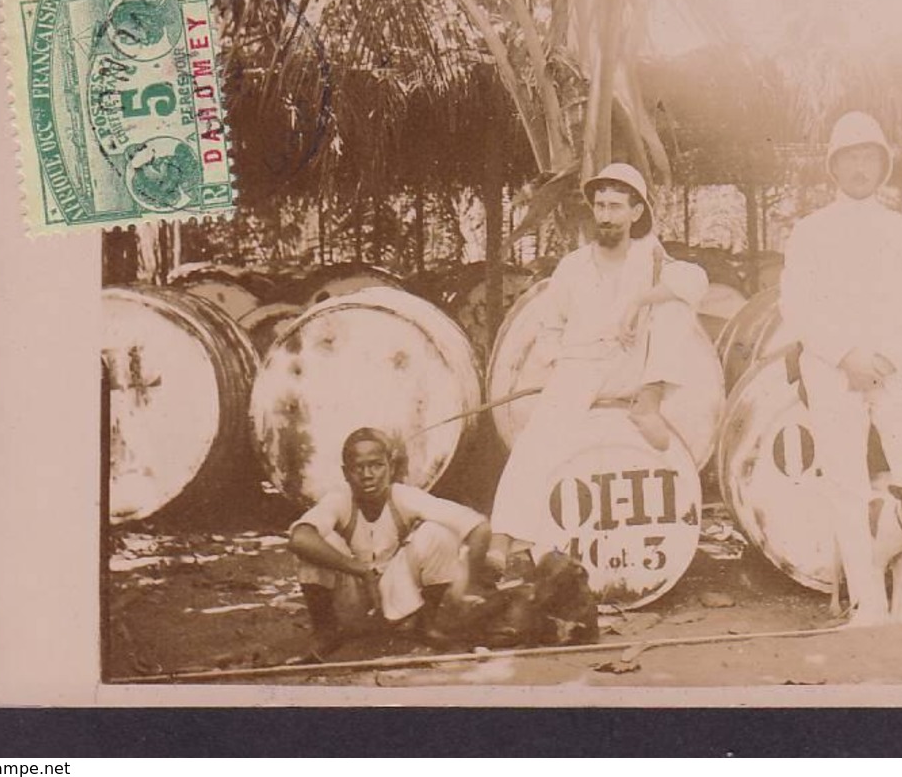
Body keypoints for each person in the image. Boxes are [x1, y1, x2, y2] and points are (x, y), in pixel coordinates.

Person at [487, 163, 709, 573]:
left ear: (635, 212)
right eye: (600, 205)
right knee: (538, 439)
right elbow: (549, 328)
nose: (605, 215)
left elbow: (696, 281)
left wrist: (638, 301)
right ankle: (503, 541)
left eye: (616, 206)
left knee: (675, 303)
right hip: (579, 367)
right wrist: (563, 366)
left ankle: (649, 402)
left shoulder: (651, 258)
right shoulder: (572, 266)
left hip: (631, 368)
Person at [779, 111, 902, 626]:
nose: (859, 167)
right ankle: (867, 603)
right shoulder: (809, 232)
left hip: (898, 367)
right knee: (846, 484)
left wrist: (888, 356)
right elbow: (797, 305)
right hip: (833, 369)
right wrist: (846, 354)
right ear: (833, 167)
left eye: (868, 156)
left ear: (883, 165)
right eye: (849, 157)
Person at [289, 428, 492, 657]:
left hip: (398, 594)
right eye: (358, 467)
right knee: (317, 542)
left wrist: (466, 587)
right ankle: (326, 632)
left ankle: (425, 625)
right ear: (346, 473)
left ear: (391, 467)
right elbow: (299, 538)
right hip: (353, 598)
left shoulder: (404, 496)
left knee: (438, 532)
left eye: (376, 465)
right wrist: (361, 570)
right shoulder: (340, 498)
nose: (367, 475)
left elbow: (479, 526)